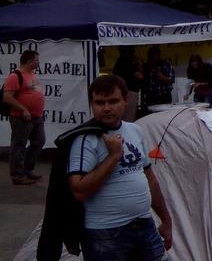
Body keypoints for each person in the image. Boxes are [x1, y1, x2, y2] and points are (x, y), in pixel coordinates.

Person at [68, 75, 173, 260]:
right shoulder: (86, 139)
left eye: (113, 101)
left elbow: (150, 179)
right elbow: (79, 191)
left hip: (144, 224)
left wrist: (165, 219)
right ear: (92, 104)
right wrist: (114, 156)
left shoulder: (134, 130)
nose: (107, 108)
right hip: (106, 234)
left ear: (126, 100)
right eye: (99, 102)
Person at [4, 50, 45, 186]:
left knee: (39, 141)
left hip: (36, 117)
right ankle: (17, 176)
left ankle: (26, 170)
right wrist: (24, 109)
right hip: (21, 117)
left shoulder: (32, 75)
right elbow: (7, 97)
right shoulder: (15, 76)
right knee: (19, 146)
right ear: (29, 61)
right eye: (36, 60)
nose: (38, 63)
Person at [112, 46, 143, 122]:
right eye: (132, 51)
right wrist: (139, 65)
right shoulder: (127, 61)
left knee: (123, 116)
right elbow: (140, 76)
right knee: (129, 118)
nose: (134, 53)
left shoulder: (119, 61)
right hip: (129, 91)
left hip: (121, 91)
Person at [141, 47, 174, 114]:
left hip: (164, 95)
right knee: (151, 115)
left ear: (159, 55)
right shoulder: (146, 66)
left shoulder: (165, 64)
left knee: (165, 114)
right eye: (151, 55)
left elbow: (172, 79)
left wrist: (163, 77)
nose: (153, 57)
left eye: (154, 55)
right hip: (151, 96)